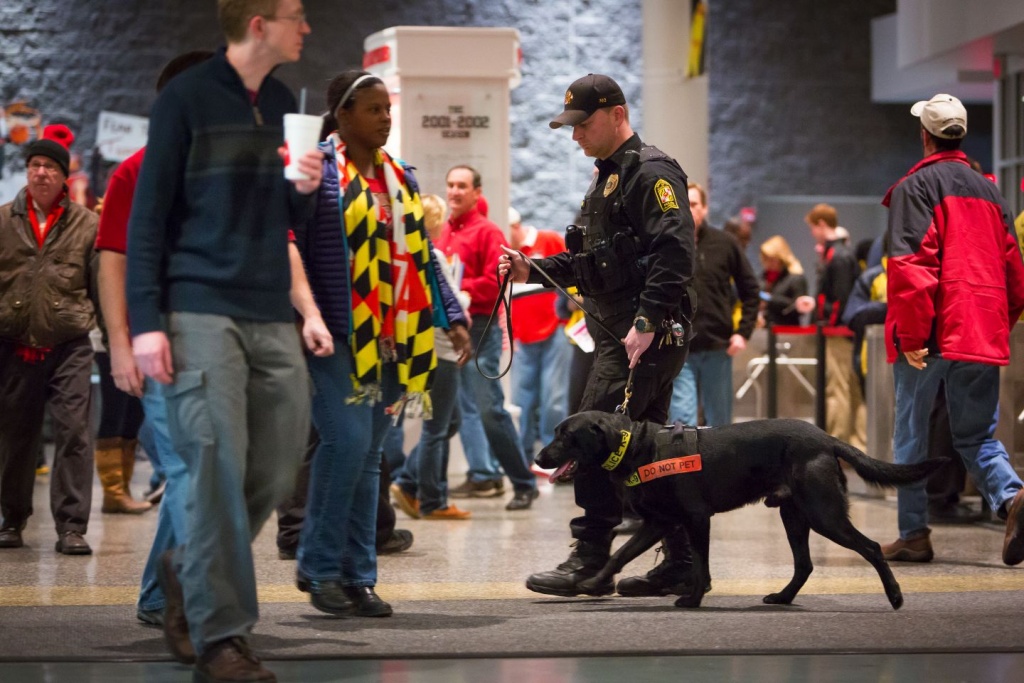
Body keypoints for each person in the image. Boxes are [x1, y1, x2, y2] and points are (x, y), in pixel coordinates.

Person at [125, 2, 326, 680]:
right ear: (259, 22)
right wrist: (145, 322)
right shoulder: (185, 99)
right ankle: (223, 639)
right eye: (296, 15)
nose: (307, 28)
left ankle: (191, 561)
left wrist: (302, 188)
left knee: (274, 465)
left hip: (269, 309)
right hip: (198, 308)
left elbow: (277, 214)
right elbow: (147, 216)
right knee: (211, 466)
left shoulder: (278, 100)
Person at [499, 73, 695, 597]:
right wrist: (532, 269)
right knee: (650, 456)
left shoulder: (651, 172)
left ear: (617, 114)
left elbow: (675, 253)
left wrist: (648, 321)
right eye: (571, 126)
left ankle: (589, 558)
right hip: (622, 333)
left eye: (582, 124)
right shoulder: (608, 177)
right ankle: (682, 560)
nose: (575, 135)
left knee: (589, 438)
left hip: (642, 335)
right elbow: (596, 262)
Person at [293, 70, 471, 617]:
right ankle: (318, 568)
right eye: (372, 109)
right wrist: (305, 314)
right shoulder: (318, 173)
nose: (385, 118)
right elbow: (289, 241)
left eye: (387, 109)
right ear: (342, 115)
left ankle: (358, 575)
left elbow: (421, 259)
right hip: (337, 334)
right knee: (345, 443)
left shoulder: (402, 179)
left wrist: (453, 316)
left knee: (370, 456)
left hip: (397, 337)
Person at [94, 50, 216, 625]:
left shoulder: (225, 171)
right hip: (158, 345)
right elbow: (112, 260)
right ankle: (194, 598)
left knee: (203, 469)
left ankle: (156, 595)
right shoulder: (135, 170)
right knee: (190, 469)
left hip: (219, 345)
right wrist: (120, 344)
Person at [880, 92, 1024, 566]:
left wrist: (914, 336)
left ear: (925, 135)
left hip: (935, 331)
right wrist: (1002, 320)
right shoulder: (990, 191)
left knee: (911, 436)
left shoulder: (914, 187)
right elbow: (1013, 268)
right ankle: (1012, 499)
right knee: (976, 435)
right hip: (981, 330)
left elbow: (910, 265)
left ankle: (914, 534)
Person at [0, 130, 98, 556]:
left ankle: (72, 526)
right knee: (15, 434)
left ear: (63, 177)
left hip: (70, 342)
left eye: (50, 168)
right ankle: (11, 518)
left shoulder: (87, 223)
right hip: (13, 341)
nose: (41, 173)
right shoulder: (3, 220)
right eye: (35, 166)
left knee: (74, 430)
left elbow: (100, 286)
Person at [436, 165, 540, 511]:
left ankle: (524, 483)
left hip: (480, 330)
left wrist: (456, 288)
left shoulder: (488, 231)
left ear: (476, 192)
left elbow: (499, 279)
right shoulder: (443, 234)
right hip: (452, 331)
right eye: (450, 185)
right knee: (456, 410)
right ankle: (479, 475)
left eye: (462, 186)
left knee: (489, 409)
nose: (454, 191)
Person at [391, 193, 474, 520]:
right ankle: (430, 499)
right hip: (442, 350)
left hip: (428, 349)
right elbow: (449, 302)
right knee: (437, 427)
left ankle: (411, 482)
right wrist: (464, 300)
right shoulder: (433, 256)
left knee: (447, 421)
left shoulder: (410, 255)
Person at [670, 182, 759, 427]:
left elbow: (750, 290)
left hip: (718, 347)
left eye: (694, 204)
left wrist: (743, 333)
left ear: (705, 208)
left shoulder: (726, 243)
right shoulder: (666, 245)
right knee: (680, 423)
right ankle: (684, 466)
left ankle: (721, 467)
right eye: (682, 204)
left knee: (720, 425)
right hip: (678, 349)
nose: (688, 209)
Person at [794, 203, 865, 450]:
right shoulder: (841, 253)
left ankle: (837, 445)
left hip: (839, 334)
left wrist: (826, 319)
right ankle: (854, 444)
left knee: (839, 391)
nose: (813, 233)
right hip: (844, 332)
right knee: (851, 390)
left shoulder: (839, 256)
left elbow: (840, 300)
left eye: (813, 227)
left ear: (822, 224)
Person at [507, 206, 570, 461]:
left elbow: (570, 272)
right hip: (523, 336)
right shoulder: (506, 257)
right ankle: (522, 458)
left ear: (514, 226)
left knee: (554, 397)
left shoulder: (549, 240)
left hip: (555, 330)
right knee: (522, 399)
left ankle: (553, 454)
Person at [757, 235, 807, 328]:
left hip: (788, 330)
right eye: (765, 259)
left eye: (772, 259)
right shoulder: (763, 277)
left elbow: (798, 309)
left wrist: (770, 299)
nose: (768, 263)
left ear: (781, 258)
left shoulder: (795, 278)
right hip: (765, 329)